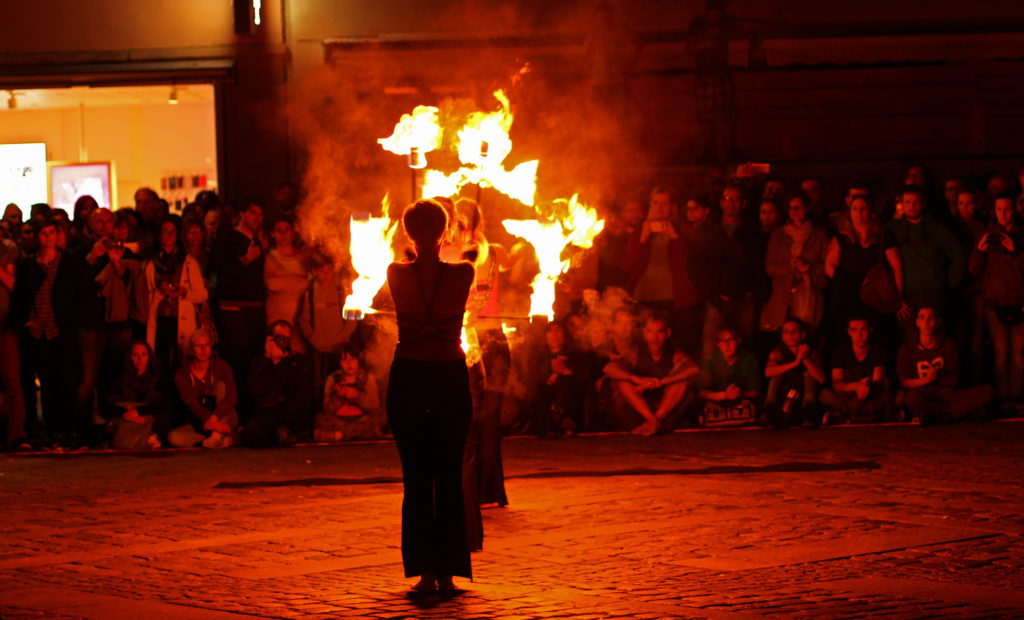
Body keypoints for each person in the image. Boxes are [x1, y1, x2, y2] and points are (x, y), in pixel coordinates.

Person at [386, 199, 475, 593]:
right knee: (449, 475)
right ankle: (448, 572)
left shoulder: (394, 273)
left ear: (408, 234)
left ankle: (424, 572)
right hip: (449, 377)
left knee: (417, 477)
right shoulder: (465, 272)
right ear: (445, 233)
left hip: (409, 376)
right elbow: (459, 269)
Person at [11, 215, 81, 448]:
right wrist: (27, 321)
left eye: (52, 232)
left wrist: (69, 324)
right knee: (48, 384)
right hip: (38, 330)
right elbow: (21, 296)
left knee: (67, 382)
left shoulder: (68, 262)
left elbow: (75, 297)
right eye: (43, 233)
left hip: (61, 329)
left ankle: (69, 430)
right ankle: (53, 432)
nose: (48, 237)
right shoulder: (28, 265)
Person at [623, 186, 704, 359]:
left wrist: (675, 237)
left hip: (676, 301)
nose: (659, 207)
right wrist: (643, 239)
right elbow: (629, 266)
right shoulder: (640, 230)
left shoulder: (684, 229)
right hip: (643, 299)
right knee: (644, 350)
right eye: (656, 203)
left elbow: (692, 264)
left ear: (672, 206)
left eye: (664, 203)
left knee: (677, 348)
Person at [886, 186, 965, 341]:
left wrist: (947, 284)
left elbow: (958, 257)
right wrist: (894, 296)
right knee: (910, 342)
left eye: (916, 202)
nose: (912, 206)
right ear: (902, 203)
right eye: (907, 202)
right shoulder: (893, 229)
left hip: (934, 294)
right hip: (907, 297)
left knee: (936, 341)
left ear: (923, 202)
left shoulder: (939, 229)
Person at [213, 199, 268, 419]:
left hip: (255, 310)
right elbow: (222, 273)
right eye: (253, 212)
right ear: (243, 213)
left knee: (255, 362)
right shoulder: (228, 238)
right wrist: (246, 259)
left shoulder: (258, 241)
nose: (257, 218)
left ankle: (252, 414)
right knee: (239, 363)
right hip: (234, 310)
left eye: (261, 214)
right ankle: (239, 414)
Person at [969, 192, 1024, 410]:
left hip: (1019, 299)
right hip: (995, 302)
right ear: (994, 211)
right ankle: (1003, 398)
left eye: (1007, 209)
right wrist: (979, 251)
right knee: (1001, 353)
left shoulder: (1021, 235)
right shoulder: (986, 235)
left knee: (1019, 354)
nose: (1003, 214)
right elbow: (973, 270)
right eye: (999, 209)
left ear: (1015, 210)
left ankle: (1017, 398)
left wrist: (1016, 251)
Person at [603, 313, 699, 435]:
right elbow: (608, 368)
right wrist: (637, 379)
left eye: (659, 332)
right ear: (644, 333)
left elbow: (694, 369)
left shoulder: (674, 354)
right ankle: (652, 422)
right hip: (639, 411)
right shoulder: (635, 353)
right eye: (650, 332)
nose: (654, 338)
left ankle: (653, 423)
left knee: (682, 381)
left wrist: (661, 382)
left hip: (665, 412)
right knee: (620, 380)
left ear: (667, 333)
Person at [896, 307, 993, 424]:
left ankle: (945, 416)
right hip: (922, 394)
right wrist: (926, 380)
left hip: (947, 394)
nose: (926, 323)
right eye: (922, 318)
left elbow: (955, 381)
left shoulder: (948, 345)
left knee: (989, 391)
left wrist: (938, 378)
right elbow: (905, 382)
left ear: (938, 322)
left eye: (931, 318)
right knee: (911, 399)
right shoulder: (907, 348)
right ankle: (962, 413)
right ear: (917, 322)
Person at [144, 216, 209, 371]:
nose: (169, 236)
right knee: (160, 363)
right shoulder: (150, 263)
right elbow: (146, 296)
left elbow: (202, 294)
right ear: (159, 235)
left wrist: (184, 292)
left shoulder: (188, 262)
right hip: (160, 321)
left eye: (172, 232)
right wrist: (160, 292)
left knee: (183, 363)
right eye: (165, 232)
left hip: (182, 319)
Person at [761, 193, 829, 335]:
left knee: (806, 334)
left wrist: (809, 267)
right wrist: (792, 266)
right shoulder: (778, 235)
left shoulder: (820, 235)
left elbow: (826, 265)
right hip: (783, 296)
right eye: (791, 208)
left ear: (808, 208)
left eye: (798, 207)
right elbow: (770, 267)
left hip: (809, 295)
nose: (794, 212)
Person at [296, 251, 360, 395]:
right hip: (318, 348)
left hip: (340, 350)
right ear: (314, 271)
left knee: (341, 382)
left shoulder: (341, 291)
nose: (326, 274)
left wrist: (342, 337)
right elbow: (304, 319)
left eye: (329, 270)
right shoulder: (310, 293)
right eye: (321, 271)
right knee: (319, 384)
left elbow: (352, 319)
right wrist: (312, 338)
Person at [243, 320, 314, 447]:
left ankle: (287, 434)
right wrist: (268, 359)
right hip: (267, 415)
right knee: (252, 433)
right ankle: (284, 436)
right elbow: (256, 390)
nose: (284, 342)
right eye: (281, 338)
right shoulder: (258, 363)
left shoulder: (298, 362)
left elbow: (295, 393)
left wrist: (279, 363)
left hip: (290, 414)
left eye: (287, 338)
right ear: (270, 339)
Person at [171, 329, 238, 448]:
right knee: (173, 437)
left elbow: (232, 397)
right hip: (200, 422)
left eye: (207, 345)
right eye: (198, 345)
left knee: (220, 386)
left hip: (223, 417)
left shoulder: (222, 366)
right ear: (191, 350)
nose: (203, 350)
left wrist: (214, 419)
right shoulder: (182, 374)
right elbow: (191, 403)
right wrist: (209, 422)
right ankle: (207, 441)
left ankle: (218, 435)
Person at [819, 317, 890, 424]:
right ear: (849, 332)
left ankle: (847, 419)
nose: (859, 335)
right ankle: (873, 417)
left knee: (898, 398)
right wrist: (857, 386)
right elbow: (837, 384)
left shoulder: (878, 350)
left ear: (871, 330)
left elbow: (877, 383)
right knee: (824, 395)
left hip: (869, 395)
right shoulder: (841, 351)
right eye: (854, 330)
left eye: (863, 329)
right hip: (848, 396)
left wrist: (866, 387)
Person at [764, 318, 827, 428]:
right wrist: (795, 362)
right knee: (776, 375)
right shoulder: (777, 353)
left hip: (803, 396)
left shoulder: (812, 353)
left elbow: (821, 378)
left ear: (802, 335)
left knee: (808, 376)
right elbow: (768, 372)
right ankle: (771, 413)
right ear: (782, 336)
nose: (790, 335)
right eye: (786, 332)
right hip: (784, 395)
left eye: (794, 331)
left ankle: (808, 415)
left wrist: (805, 358)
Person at [104, 341, 166, 450]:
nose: (139, 359)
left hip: (148, 418)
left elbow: (163, 404)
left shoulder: (158, 377)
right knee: (116, 400)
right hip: (127, 417)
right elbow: (108, 404)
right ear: (130, 357)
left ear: (149, 357)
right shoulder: (122, 379)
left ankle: (150, 437)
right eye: (135, 355)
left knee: (154, 397)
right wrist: (125, 412)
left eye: (143, 354)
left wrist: (138, 412)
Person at [315, 344, 384, 441]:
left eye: (352, 359)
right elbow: (326, 410)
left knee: (381, 415)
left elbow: (375, 406)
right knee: (319, 418)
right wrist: (337, 398)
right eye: (344, 360)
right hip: (339, 421)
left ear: (358, 360)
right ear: (339, 362)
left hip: (362, 420)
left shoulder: (368, 377)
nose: (349, 363)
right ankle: (362, 434)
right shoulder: (333, 378)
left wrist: (357, 396)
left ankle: (340, 435)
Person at [697, 325, 761, 427]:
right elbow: (702, 392)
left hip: (741, 403)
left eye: (730, 340)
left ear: (738, 341)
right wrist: (725, 395)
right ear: (718, 344)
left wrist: (739, 393)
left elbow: (755, 391)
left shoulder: (749, 359)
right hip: (716, 404)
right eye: (723, 341)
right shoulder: (711, 359)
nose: (727, 345)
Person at [264, 215, 309, 351]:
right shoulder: (269, 258)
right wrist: (298, 278)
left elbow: (310, 282)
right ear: (272, 234)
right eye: (279, 230)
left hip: (300, 317)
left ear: (293, 232)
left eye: (286, 229)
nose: (283, 234)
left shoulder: (303, 258)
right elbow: (271, 284)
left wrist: (282, 279)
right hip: (277, 315)